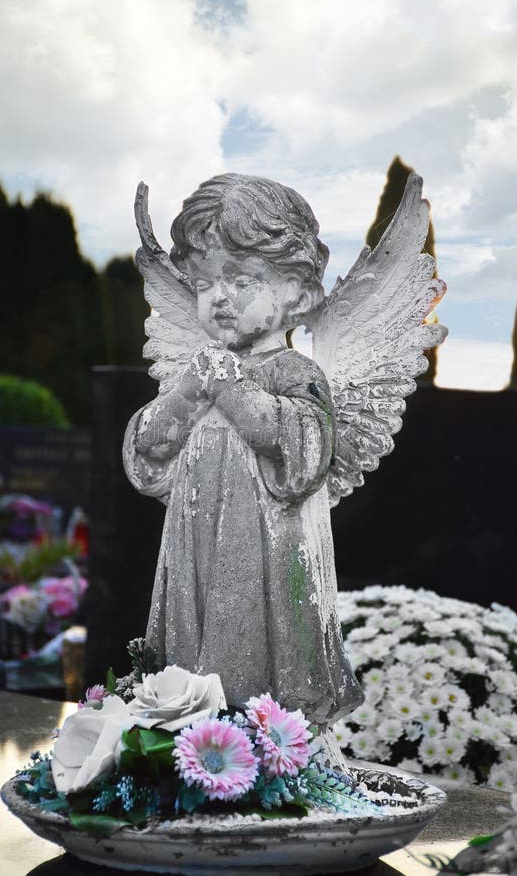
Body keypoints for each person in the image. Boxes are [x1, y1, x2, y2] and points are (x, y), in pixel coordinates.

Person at [123, 174, 362, 725]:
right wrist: (187, 392)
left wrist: (231, 387)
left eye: (242, 280)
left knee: (248, 642)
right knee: (190, 627)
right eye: (204, 284)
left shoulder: (294, 373)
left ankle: (263, 740)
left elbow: (302, 454)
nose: (218, 298)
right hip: (193, 545)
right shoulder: (196, 374)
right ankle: (185, 728)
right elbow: (147, 451)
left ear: (297, 294)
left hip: (265, 555)